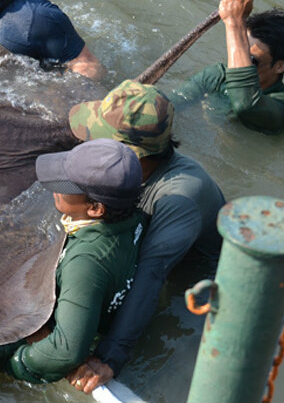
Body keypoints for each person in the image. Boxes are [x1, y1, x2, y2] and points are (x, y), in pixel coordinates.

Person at [65, 80, 226, 394]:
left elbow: (151, 275)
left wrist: (110, 356)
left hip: (195, 283)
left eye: (99, 142)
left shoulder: (179, 197)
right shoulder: (131, 173)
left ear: (132, 155)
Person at [4, 138, 144, 384]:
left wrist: (19, 362)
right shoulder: (137, 217)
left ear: (96, 209)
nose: (56, 189)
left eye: (65, 186)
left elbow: (65, 352)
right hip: (97, 302)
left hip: (62, 333)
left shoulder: (85, 263)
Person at [169, 0, 284, 135]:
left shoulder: (280, 103)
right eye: (238, 49)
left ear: (280, 66)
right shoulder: (217, 77)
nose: (238, 62)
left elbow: (247, 104)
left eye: (251, 60)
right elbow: (170, 107)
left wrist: (234, 23)